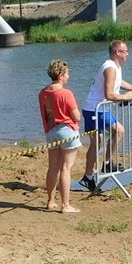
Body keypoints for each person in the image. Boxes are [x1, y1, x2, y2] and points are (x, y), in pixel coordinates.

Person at [79, 40, 132, 192]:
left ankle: (91, 174)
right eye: (125, 51)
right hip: (95, 109)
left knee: (99, 140)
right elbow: (110, 94)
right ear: (117, 53)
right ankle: (102, 166)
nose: (127, 54)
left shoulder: (115, 67)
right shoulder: (110, 68)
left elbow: (119, 83)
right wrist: (126, 97)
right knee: (117, 132)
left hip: (98, 109)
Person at [39, 59, 82, 213]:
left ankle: (50, 201)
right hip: (67, 130)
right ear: (61, 75)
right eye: (67, 74)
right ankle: (65, 205)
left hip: (51, 131)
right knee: (66, 168)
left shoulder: (43, 93)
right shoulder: (66, 93)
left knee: (53, 167)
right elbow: (76, 116)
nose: (68, 76)